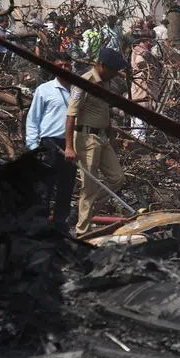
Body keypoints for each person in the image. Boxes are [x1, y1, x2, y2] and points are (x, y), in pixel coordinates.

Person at [65, 47, 128, 237]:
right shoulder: (84, 83)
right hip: (86, 138)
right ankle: (82, 231)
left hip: (102, 137)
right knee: (89, 187)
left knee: (117, 178)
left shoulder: (106, 83)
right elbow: (70, 116)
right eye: (113, 70)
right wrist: (68, 146)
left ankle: (85, 211)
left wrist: (111, 137)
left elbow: (104, 111)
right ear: (102, 66)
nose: (115, 74)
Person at [25, 56, 76, 231]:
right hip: (49, 143)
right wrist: (33, 146)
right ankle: (41, 224)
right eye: (60, 65)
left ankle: (60, 224)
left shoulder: (77, 91)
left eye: (67, 65)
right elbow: (33, 119)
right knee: (45, 187)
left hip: (71, 144)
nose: (64, 68)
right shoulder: (44, 90)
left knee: (66, 186)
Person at [129, 31, 157, 142]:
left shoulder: (143, 50)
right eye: (150, 41)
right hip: (140, 84)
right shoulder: (139, 50)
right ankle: (138, 140)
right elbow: (140, 63)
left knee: (142, 112)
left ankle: (139, 138)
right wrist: (151, 68)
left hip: (144, 84)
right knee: (139, 111)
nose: (152, 43)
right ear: (146, 40)